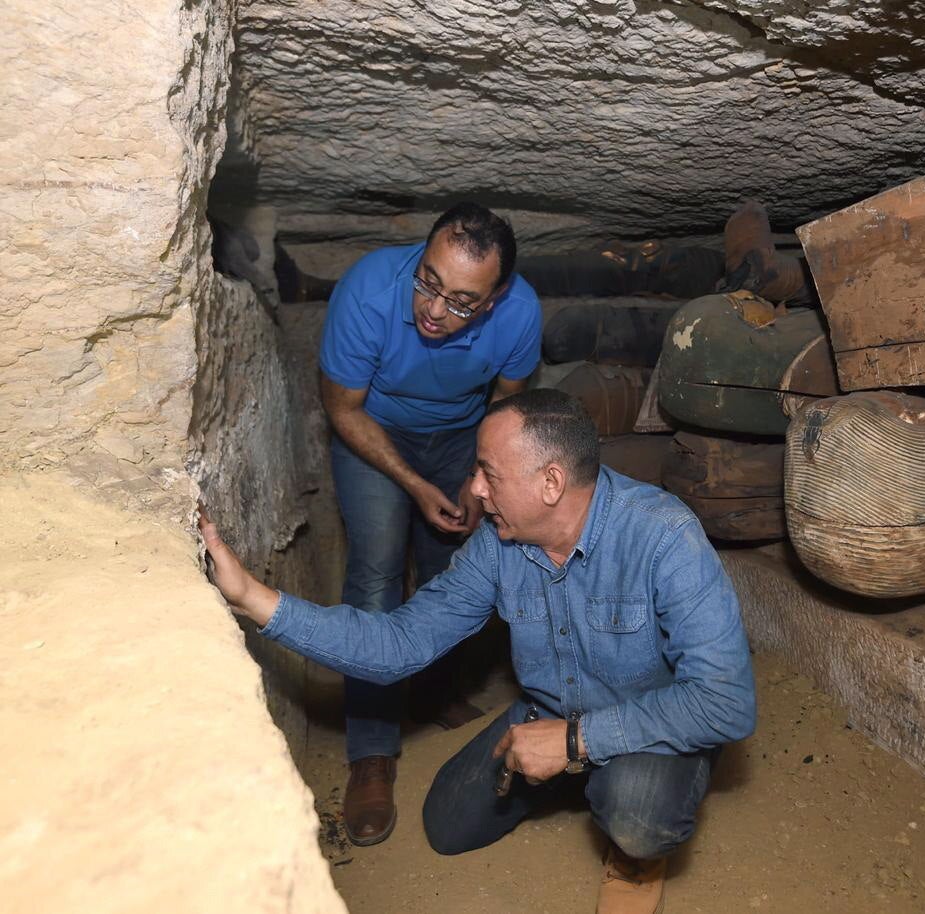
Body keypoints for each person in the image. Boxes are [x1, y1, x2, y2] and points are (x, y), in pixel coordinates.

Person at [201, 390, 756, 914]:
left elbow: (727, 702)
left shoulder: (664, 537)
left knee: (637, 816)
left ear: (551, 483)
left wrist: (575, 741)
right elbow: (400, 643)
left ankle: (636, 836)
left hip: (646, 722)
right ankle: (568, 768)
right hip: (551, 708)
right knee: (448, 825)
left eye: (488, 472)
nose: (476, 489)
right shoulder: (496, 543)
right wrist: (255, 599)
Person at [318, 202, 542, 846]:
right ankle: (371, 752)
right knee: (376, 574)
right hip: (373, 434)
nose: (435, 310)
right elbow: (342, 409)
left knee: (456, 570)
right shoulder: (368, 289)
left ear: (496, 299)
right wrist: (415, 485)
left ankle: (436, 693)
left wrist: (482, 478)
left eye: (463, 302)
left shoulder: (521, 312)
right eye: (428, 281)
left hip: (461, 438)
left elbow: (507, 402)